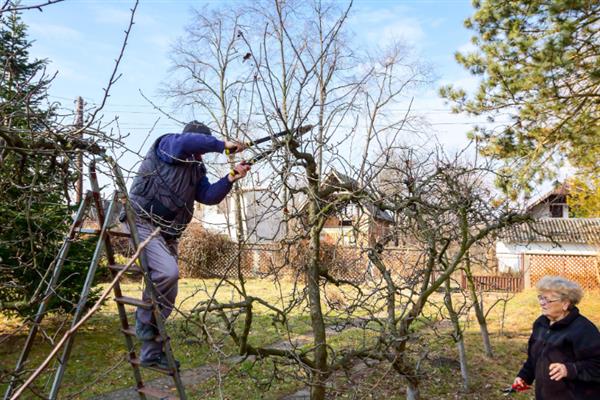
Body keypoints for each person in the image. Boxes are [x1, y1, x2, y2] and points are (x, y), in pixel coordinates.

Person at [122, 120, 250, 369]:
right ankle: (144, 324)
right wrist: (223, 145)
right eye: (201, 146)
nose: (201, 153)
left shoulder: (196, 169)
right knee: (168, 273)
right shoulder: (168, 144)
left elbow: (209, 196)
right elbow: (186, 143)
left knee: (168, 291)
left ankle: (151, 353)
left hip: (168, 233)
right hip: (143, 221)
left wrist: (232, 177)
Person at [514, 275, 600, 399]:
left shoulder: (583, 329)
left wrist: (569, 369)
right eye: (541, 298)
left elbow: (597, 365)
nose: (542, 303)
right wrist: (524, 376)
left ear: (565, 303)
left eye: (547, 300)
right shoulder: (540, 324)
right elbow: (534, 358)